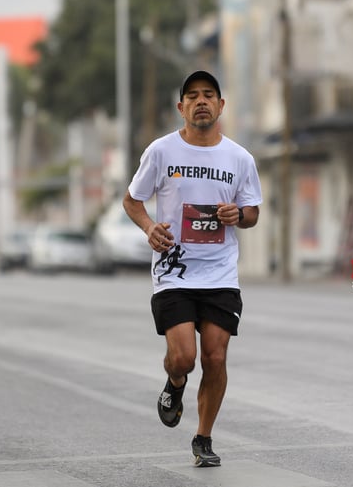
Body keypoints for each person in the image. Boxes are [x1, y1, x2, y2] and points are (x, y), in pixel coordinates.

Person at [123, 70, 262, 467]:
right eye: (193, 96)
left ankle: (203, 438)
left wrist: (240, 214)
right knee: (184, 357)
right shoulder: (161, 152)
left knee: (215, 358)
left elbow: (252, 211)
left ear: (221, 105)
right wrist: (150, 227)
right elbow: (132, 200)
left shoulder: (240, 158)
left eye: (209, 95)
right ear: (181, 107)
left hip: (220, 274)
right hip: (174, 272)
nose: (201, 101)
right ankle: (176, 381)